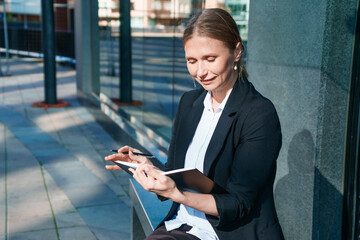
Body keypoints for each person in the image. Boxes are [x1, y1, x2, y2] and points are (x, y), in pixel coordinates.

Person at [105, 8, 284, 240]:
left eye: (210, 59)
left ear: (237, 51)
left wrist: (176, 194)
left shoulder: (258, 113)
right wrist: (146, 163)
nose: (200, 72)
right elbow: (179, 172)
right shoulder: (190, 102)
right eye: (192, 61)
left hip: (228, 233)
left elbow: (239, 204)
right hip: (181, 224)